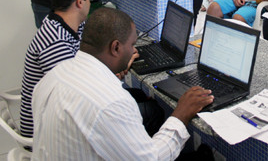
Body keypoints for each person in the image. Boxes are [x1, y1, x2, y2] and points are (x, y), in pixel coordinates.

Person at [32, 8, 214, 160]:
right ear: (116, 47)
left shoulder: (55, 75)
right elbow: (151, 159)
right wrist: (181, 114)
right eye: (132, 44)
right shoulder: (111, 103)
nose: (134, 50)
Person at [20, 0, 90, 137]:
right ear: (80, 2)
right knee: (147, 112)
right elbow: (75, 97)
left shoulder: (64, 24)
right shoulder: (55, 41)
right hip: (45, 134)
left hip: (55, 116)